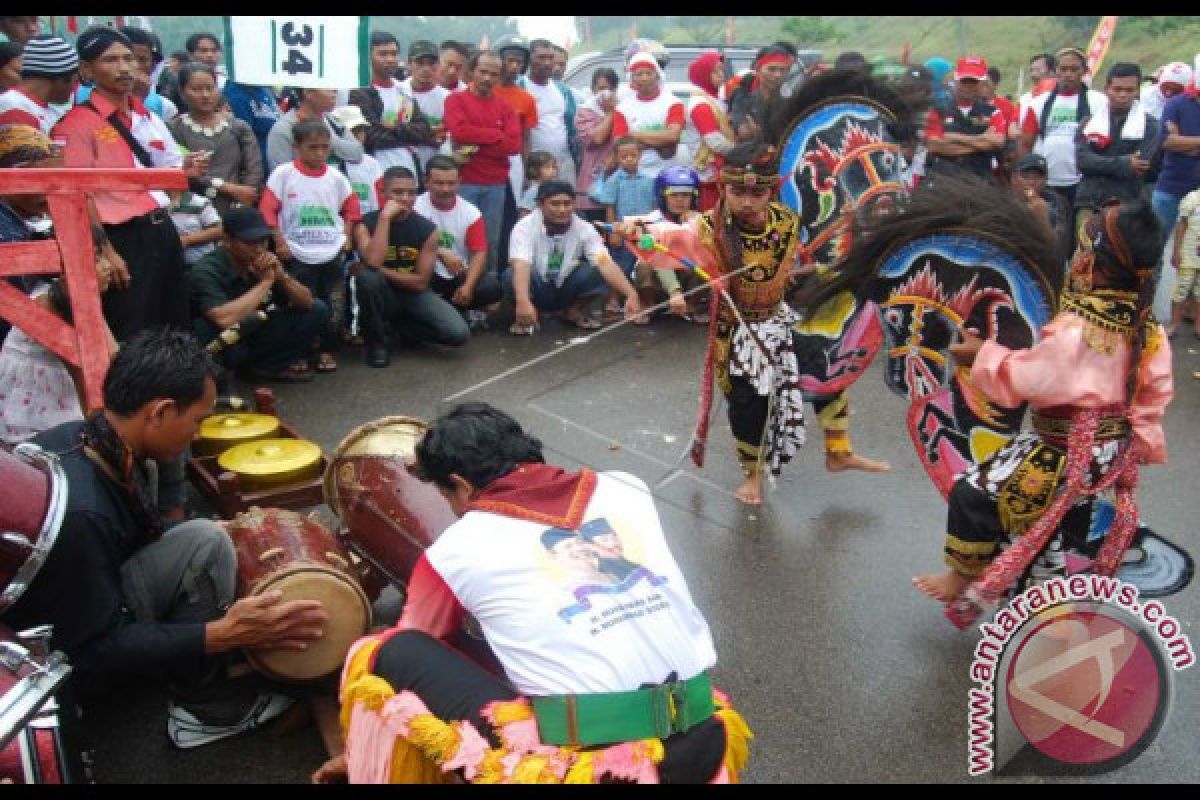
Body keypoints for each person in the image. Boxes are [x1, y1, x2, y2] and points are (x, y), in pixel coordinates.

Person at [311, 403, 750, 785]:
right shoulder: (625, 485)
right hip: (703, 737)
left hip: (598, 769)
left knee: (388, 650)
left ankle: (369, 760)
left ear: (461, 485)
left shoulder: (455, 550)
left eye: (447, 496)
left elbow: (423, 634)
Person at [0, 329, 329, 749]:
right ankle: (203, 711)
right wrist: (222, 633)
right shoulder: (85, 513)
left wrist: (233, 529)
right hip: (61, 652)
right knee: (205, 545)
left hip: (78, 588)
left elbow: (135, 537)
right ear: (159, 412)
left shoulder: (83, 437)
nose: (196, 435)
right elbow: (92, 649)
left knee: (206, 534)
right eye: (196, 421)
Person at [913, 200, 1173, 604]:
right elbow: (1154, 393)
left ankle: (963, 575)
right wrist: (1138, 446)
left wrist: (981, 355)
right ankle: (1041, 591)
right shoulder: (1146, 326)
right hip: (1109, 452)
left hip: (1065, 450)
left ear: (1093, 263)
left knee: (973, 491)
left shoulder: (1080, 328)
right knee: (1050, 514)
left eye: (1084, 250)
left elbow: (1030, 380)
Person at [617, 143, 888, 506]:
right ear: (724, 189)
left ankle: (837, 451)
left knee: (829, 370)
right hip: (738, 331)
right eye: (738, 192)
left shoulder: (787, 220)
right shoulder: (709, 228)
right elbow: (669, 237)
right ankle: (753, 475)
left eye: (757, 193)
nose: (747, 201)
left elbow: (811, 249)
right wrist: (635, 229)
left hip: (780, 318)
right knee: (750, 405)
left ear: (770, 192)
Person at [53, 27, 206, 342]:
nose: (124, 68)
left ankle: (177, 391)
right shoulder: (76, 125)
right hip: (120, 238)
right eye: (110, 60)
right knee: (133, 327)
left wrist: (186, 170)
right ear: (86, 70)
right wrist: (105, 252)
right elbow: (76, 195)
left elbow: (170, 170)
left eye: (129, 59)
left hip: (161, 228)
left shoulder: (147, 116)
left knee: (174, 321)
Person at [260, 120, 363, 374]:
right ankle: (300, 350)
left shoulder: (336, 177)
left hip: (331, 251)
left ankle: (326, 349)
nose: (319, 153)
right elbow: (267, 209)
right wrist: (279, 241)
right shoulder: (284, 175)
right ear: (297, 147)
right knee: (301, 304)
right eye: (312, 147)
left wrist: (347, 237)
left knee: (334, 305)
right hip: (297, 252)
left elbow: (351, 209)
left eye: (324, 147)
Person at [0, 225, 117, 445]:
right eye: (98, 258)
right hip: (35, 417)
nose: (108, 266)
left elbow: (111, 356)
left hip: (59, 400)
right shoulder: (48, 305)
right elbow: (96, 367)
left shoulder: (78, 302)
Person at [190, 206, 329, 383]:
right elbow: (223, 319)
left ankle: (266, 367)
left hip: (254, 333)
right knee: (204, 327)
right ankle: (220, 376)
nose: (258, 249)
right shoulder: (207, 269)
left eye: (262, 241)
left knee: (318, 310)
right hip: (220, 341)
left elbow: (307, 302)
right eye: (249, 242)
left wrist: (282, 278)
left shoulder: (264, 261)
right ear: (227, 240)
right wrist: (265, 283)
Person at [352, 166, 470, 366]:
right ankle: (377, 345)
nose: (405, 198)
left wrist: (377, 269)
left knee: (458, 333)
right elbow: (373, 260)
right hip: (381, 292)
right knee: (367, 279)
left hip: (412, 293)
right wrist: (385, 219)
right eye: (397, 193)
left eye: (411, 193)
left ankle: (401, 329)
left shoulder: (427, 229)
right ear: (383, 193)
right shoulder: (366, 223)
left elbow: (420, 283)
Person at [507, 180, 643, 334]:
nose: (562, 209)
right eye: (555, 204)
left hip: (565, 286)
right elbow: (521, 263)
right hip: (536, 286)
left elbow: (604, 262)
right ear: (541, 204)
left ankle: (573, 311)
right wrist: (523, 301)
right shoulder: (524, 227)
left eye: (567, 203)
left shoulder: (584, 228)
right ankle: (526, 316)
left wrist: (631, 294)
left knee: (598, 270)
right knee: (511, 275)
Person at [444, 50, 521, 277]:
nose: (487, 78)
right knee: (460, 239)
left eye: (493, 74)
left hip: (495, 184)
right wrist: (495, 135)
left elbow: (513, 146)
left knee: (490, 241)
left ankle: (487, 294)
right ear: (471, 71)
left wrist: (477, 139)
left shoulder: (505, 108)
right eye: (483, 72)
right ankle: (458, 289)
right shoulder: (455, 100)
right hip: (464, 182)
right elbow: (458, 131)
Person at [167, 63, 263, 216]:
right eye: (196, 89)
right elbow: (180, 170)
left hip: (238, 207)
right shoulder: (174, 129)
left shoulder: (238, 127)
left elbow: (254, 168)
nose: (205, 95)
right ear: (182, 92)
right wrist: (226, 187)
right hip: (193, 210)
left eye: (210, 88)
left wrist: (245, 198)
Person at [414, 155, 503, 319]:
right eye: (439, 183)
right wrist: (439, 252)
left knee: (491, 287)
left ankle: (450, 305)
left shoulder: (471, 213)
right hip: (423, 273)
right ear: (426, 181)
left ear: (459, 181)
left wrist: (468, 286)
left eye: (451, 183)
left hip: (455, 274)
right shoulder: (415, 207)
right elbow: (408, 243)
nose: (445, 189)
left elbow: (479, 253)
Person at [1017, 46, 1106, 209]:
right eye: (1064, 69)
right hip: (1047, 182)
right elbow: (1025, 145)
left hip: (1084, 182)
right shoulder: (1037, 103)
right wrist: (1026, 180)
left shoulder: (1099, 102)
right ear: (1056, 71)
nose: (1068, 74)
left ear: (1084, 71)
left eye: (1074, 69)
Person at [1075, 62, 1158, 226]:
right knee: (1085, 250)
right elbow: (1083, 162)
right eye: (1117, 89)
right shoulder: (1088, 123)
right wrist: (1125, 162)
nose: (1123, 95)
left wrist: (1099, 163)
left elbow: (1140, 166)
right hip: (1089, 203)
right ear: (1106, 89)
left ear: (1137, 92)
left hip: (1130, 205)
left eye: (1129, 90)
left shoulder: (1150, 126)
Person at [349, 33, 432, 180]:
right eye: (383, 54)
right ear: (369, 56)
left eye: (394, 54)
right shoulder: (360, 90)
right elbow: (370, 135)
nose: (390, 59)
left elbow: (424, 130)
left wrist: (395, 127)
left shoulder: (403, 89)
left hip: (409, 170)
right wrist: (407, 134)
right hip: (376, 173)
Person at [589, 136, 657, 296]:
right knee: (622, 263)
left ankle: (643, 297)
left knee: (645, 261)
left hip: (644, 229)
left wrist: (654, 227)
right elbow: (610, 206)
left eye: (633, 156)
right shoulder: (614, 181)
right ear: (617, 158)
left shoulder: (649, 180)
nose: (629, 160)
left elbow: (654, 206)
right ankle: (614, 297)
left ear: (640, 155)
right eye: (624, 157)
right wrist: (613, 231)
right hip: (623, 230)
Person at [924, 56, 1006, 183]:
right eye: (965, 81)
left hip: (980, 182)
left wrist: (953, 137)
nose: (969, 86)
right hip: (943, 183)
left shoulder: (994, 112)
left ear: (983, 83)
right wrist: (982, 141)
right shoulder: (937, 111)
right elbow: (934, 145)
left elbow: (998, 141)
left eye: (974, 81)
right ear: (956, 80)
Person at [610, 51, 687, 178]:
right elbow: (620, 144)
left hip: (666, 176)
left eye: (648, 73)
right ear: (632, 79)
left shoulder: (673, 103)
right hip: (634, 177)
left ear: (657, 76)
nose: (644, 78)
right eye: (639, 74)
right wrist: (662, 142)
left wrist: (633, 135)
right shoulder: (622, 108)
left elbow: (673, 135)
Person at [519, 39, 578, 185]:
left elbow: (571, 127)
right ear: (530, 59)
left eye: (550, 58)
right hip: (534, 167)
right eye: (541, 57)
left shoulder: (562, 90)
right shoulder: (521, 86)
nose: (547, 63)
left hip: (563, 163)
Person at [266, 87, 364, 174]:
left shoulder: (333, 122)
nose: (335, 91)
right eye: (327, 87)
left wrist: (327, 139)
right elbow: (281, 177)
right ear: (308, 92)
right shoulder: (283, 129)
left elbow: (358, 154)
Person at [684, 51, 734, 212]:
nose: (721, 74)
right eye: (715, 71)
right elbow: (715, 142)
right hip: (708, 177)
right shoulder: (701, 105)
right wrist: (741, 151)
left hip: (721, 173)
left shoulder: (715, 100)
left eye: (722, 69)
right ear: (704, 75)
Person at [0, 35, 78, 133]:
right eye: (75, 81)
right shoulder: (14, 109)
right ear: (63, 79)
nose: (74, 89)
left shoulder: (50, 110)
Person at [573, 68, 620, 221]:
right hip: (593, 184)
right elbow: (597, 139)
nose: (605, 93)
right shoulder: (584, 112)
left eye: (610, 89)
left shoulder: (625, 110)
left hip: (619, 179)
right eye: (601, 88)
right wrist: (610, 113)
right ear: (593, 89)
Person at [397, 39, 450, 173]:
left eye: (431, 63)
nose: (426, 69)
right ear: (409, 63)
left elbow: (445, 135)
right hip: (403, 166)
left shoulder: (447, 98)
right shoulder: (398, 91)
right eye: (420, 63)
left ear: (438, 65)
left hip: (435, 168)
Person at [728, 45, 796, 144]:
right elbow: (744, 131)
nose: (778, 75)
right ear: (758, 69)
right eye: (771, 69)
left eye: (783, 70)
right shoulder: (743, 98)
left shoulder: (792, 101)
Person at [1011, 153, 1071, 263]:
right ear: (1015, 178)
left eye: (1037, 177)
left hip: (1046, 260)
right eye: (1026, 177)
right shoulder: (1006, 202)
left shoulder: (1056, 202)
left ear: (1046, 180)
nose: (1031, 182)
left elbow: (1059, 248)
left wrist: (1042, 217)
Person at [331, 105, 385, 215]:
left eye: (361, 129)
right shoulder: (332, 163)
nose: (359, 134)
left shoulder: (372, 163)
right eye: (352, 131)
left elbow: (379, 195)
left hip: (368, 219)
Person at [223, 80, 282, 168]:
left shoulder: (261, 88)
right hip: (257, 165)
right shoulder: (235, 97)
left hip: (274, 159)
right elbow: (244, 139)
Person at [1169, 186, 1200, 338]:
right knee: (1181, 289)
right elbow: (1181, 226)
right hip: (1188, 253)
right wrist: (1176, 251)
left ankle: (1198, 325)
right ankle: (1174, 324)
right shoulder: (1192, 199)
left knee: (1199, 292)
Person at [169, 188, 222, 266]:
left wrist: (187, 240)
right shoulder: (156, 204)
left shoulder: (199, 202)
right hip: (169, 266)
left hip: (199, 264)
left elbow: (218, 230)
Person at [518, 150, 557, 215]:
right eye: (547, 167)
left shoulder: (552, 187)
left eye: (554, 167)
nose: (552, 171)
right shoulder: (534, 190)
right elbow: (524, 212)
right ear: (533, 170)